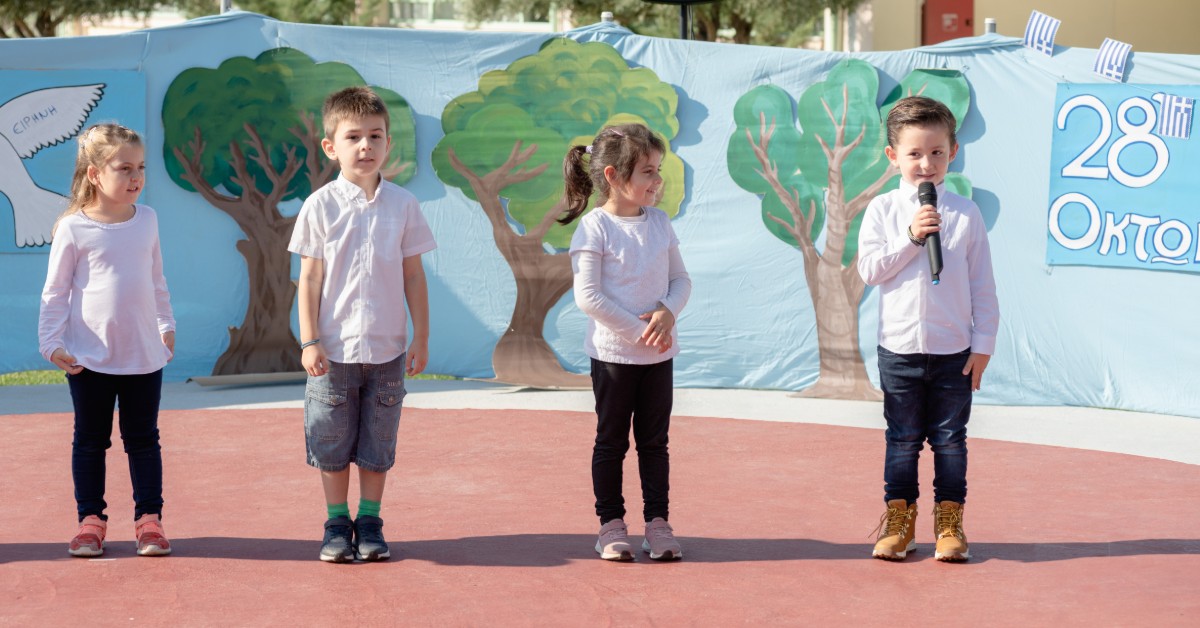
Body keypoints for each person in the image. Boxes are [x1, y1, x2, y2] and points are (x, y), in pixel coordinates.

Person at [288, 86, 435, 563]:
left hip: (388, 351)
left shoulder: (404, 206)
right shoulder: (320, 206)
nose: (365, 146)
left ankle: (369, 522)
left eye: (375, 136)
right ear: (331, 147)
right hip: (331, 353)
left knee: (377, 442)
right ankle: (336, 524)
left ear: (389, 143)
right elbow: (309, 279)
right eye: (353, 137)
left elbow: (414, 275)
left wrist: (421, 336)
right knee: (330, 440)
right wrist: (309, 341)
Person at [857, 96, 999, 562]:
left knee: (950, 440)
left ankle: (949, 521)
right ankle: (899, 522)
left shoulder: (967, 214)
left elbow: (983, 287)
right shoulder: (882, 211)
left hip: (953, 351)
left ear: (953, 152)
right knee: (901, 439)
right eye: (915, 153)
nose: (926, 163)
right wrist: (913, 237)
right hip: (898, 350)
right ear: (892, 156)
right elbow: (870, 270)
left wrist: (983, 346)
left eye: (936, 152)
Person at [39, 123, 176, 558]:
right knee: (89, 440)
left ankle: (149, 522)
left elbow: (156, 281)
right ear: (95, 174)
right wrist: (51, 343)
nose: (136, 177)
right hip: (89, 359)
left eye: (140, 168)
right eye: (124, 168)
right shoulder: (73, 229)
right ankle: (90, 522)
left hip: (142, 357)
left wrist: (165, 325)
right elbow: (55, 291)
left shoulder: (149, 219)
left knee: (143, 440)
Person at [562, 123, 692, 561]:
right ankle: (610, 525)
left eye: (659, 170)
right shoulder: (594, 228)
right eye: (648, 172)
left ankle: (658, 524)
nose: (658, 182)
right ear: (615, 176)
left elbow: (680, 279)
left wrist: (668, 312)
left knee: (655, 443)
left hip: (659, 358)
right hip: (615, 358)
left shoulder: (660, 222)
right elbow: (588, 296)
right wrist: (642, 332)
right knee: (611, 441)